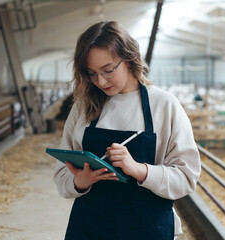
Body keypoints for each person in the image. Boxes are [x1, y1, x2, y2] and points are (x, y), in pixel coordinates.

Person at [54, 21, 201, 240]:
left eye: (108, 70)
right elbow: (61, 175)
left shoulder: (164, 105)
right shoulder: (84, 107)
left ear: (130, 59)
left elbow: (186, 178)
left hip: (147, 228)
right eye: (92, 73)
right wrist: (81, 181)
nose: (100, 81)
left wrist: (139, 170)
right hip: (89, 226)